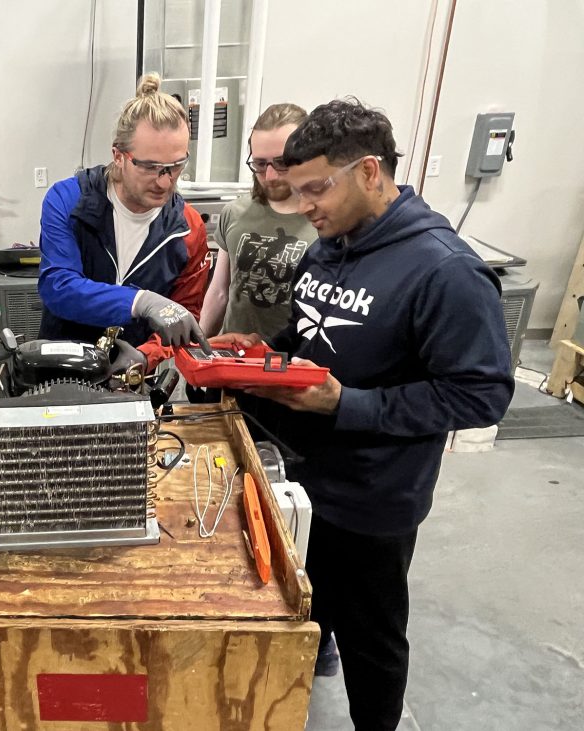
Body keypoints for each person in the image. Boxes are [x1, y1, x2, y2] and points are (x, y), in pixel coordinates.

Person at [214, 98, 514, 730]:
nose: (304, 207)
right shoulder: (330, 243)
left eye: (316, 189)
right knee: (302, 606)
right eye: (294, 192)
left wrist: (349, 405)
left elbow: (480, 394)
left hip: (372, 493)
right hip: (300, 473)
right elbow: (314, 342)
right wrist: (265, 357)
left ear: (370, 172)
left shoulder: (445, 271)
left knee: (370, 638)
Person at [38, 73, 211, 374]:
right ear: (118, 155)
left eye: (176, 166)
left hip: (133, 377)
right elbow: (59, 287)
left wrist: (145, 357)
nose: (165, 181)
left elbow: (183, 315)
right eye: (150, 167)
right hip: (61, 371)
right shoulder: (69, 200)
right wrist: (140, 301)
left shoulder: (188, 228)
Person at [200, 103, 316, 340]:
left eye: (282, 163)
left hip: (292, 362)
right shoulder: (235, 213)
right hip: (234, 358)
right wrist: (199, 348)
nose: (270, 176)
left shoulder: (324, 220)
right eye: (261, 164)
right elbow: (220, 292)